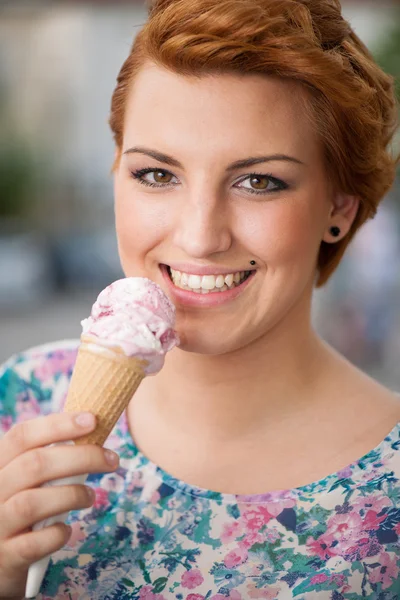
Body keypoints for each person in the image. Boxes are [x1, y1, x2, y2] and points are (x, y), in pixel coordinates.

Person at [0, 0, 399, 598]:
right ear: (115, 174)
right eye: (157, 174)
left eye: (258, 181)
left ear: (338, 209)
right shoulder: (23, 399)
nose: (198, 236)